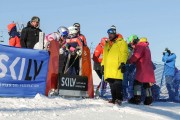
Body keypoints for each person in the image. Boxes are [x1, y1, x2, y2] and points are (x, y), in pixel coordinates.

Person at [101, 27, 129, 105]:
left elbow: (124, 53)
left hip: (117, 65)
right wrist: (103, 65)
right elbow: (104, 55)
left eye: (111, 34)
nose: (110, 35)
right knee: (111, 83)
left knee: (117, 83)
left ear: (115, 34)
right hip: (109, 67)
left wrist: (123, 63)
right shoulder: (107, 43)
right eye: (109, 34)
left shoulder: (121, 42)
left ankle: (119, 99)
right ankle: (114, 99)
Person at [128, 37, 155, 105]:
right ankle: (149, 99)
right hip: (148, 67)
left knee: (137, 82)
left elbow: (137, 55)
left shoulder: (141, 45)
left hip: (142, 67)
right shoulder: (147, 47)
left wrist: (129, 61)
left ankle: (137, 98)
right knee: (146, 84)